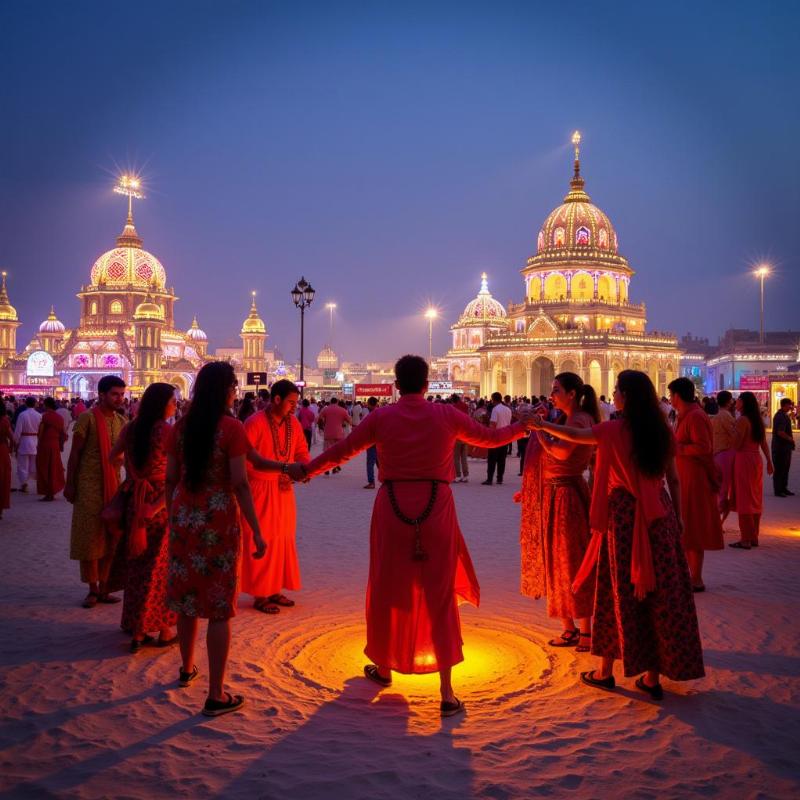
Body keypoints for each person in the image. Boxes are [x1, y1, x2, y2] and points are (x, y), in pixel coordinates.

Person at [292, 355, 530, 716]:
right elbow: (492, 438)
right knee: (439, 590)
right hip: (437, 507)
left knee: (389, 586)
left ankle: (385, 667)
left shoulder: (382, 417)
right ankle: (447, 693)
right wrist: (524, 427)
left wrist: (308, 469)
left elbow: (344, 449)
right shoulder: (445, 416)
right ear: (426, 382)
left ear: (397, 384)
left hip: (392, 507)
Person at [530, 370, 704, 700]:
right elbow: (675, 480)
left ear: (624, 396)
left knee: (614, 592)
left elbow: (573, 437)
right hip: (660, 514)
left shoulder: (612, 431)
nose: (613, 394)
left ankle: (605, 671)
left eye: (616, 390)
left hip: (623, 517)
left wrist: (541, 426)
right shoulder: (663, 432)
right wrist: (677, 518)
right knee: (660, 594)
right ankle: (653, 677)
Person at [166, 362, 266, 717]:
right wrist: (256, 528)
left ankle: (185, 669)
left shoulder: (179, 428)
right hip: (219, 518)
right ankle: (216, 693)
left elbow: (171, 478)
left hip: (184, 517)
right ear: (226, 390)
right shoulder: (231, 428)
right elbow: (240, 482)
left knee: (187, 599)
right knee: (218, 607)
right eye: (234, 387)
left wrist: (173, 515)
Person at [522, 373, 598, 651]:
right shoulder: (570, 419)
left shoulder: (578, 421)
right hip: (560, 492)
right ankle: (570, 628)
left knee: (571, 561)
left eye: (556, 390)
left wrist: (540, 430)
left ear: (572, 394)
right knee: (559, 561)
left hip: (567, 496)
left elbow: (563, 454)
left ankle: (585, 631)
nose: (551, 394)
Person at [109, 383, 179, 653]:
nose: (175, 404)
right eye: (173, 400)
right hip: (158, 503)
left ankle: (136, 628)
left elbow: (113, 456)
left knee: (136, 565)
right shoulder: (166, 431)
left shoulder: (130, 428)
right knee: (159, 568)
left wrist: (134, 475)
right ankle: (160, 628)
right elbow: (178, 473)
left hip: (133, 501)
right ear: (163, 404)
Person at [241, 379, 311, 615]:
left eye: (296, 402)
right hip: (260, 489)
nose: (294, 406)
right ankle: (261, 594)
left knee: (283, 538)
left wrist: (305, 468)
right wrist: (282, 469)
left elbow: (301, 451)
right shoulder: (255, 422)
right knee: (263, 539)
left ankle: (274, 588)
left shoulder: (293, 423)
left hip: (284, 490)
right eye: (291, 402)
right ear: (277, 399)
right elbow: (246, 461)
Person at [64, 376, 127, 608]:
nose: (119, 398)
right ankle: (92, 589)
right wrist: (70, 484)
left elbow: (124, 456)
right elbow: (75, 455)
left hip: (113, 485)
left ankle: (104, 586)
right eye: (114, 394)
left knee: (111, 536)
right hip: (89, 486)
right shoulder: (87, 419)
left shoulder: (121, 421)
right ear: (101, 395)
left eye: (121, 394)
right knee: (90, 537)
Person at [668, 377, 723, 591]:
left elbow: (703, 447)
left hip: (695, 478)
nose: (670, 399)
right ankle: (690, 576)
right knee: (686, 527)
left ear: (678, 396)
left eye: (671, 394)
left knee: (693, 528)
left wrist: (679, 449)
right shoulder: (685, 415)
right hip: (685, 476)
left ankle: (696, 578)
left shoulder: (696, 416)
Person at [729, 391, 774, 549]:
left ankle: (746, 538)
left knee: (744, 499)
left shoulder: (742, 420)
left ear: (744, 403)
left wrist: (732, 431)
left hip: (744, 460)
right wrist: (769, 461)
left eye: (739, 400)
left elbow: (736, 444)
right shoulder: (757, 420)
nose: (736, 402)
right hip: (756, 460)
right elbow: (763, 443)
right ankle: (754, 536)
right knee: (754, 498)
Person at [711, 390, 737, 524]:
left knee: (719, 488)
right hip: (726, 454)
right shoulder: (726, 416)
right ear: (728, 402)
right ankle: (717, 521)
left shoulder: (716, 417)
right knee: (724, 489)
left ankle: (717, 520)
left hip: (716, 454)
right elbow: (734, 436)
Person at [36, 397, 67, 501]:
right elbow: (63, 433)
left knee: (44, 467)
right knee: (54, 468)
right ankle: (52, 491)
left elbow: (41, 432)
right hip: (55, 445)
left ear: (46, 405)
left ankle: (48, 492)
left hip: (45, 444)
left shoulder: (45, 416)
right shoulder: (59, 418)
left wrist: (39, 443)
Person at [483, 392, 512, 485]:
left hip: (496, 436)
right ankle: (500, 478)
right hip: (506, 436)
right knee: (502, 459)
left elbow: (493, 424)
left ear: (493, 399)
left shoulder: (495, 409)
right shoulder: (508, 410)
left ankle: (489, 479)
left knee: (492, 459)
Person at [317, 397, 351, 475]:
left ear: (330, 402)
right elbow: (349, 421)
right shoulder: (343, 410)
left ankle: (326, 469)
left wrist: (322, 426)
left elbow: (319, 419)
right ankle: (336, 466)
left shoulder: (325, 409)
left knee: (327, 452)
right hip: (339, 433)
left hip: (328, 433)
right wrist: (343, 423)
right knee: (337, 451)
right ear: (337, 402)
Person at [14, 397, 41, 493]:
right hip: (35, 441)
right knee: (34, 464)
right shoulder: (39, 415)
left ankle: (24, 483)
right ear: (35, 404)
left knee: (22, 464)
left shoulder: (22, 415)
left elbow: (18, 431)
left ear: (26, 403)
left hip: (24, 441)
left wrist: (15, 442)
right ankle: (37, 481)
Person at [771, 398, 796, 497]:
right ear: (785, 405)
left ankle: (783, 488)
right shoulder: (781, 416)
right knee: (780, 469)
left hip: (784, 447)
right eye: (790, 405)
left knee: (785, 468)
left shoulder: (784, 415)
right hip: (780, 447)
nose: (791, 407)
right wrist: (790, 439)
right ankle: (778, 490)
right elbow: (780, 432)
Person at [364, 396, 380, 488]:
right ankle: (386, 480)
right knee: (380, 462)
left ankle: (371, 482)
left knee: (370, 463)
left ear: (369, 404)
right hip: (380, 442)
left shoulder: (369, 415)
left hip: (371, 442)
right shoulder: (382, 413)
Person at [0, 405, 12, 519]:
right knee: (3, 479)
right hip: (2, 450)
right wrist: (13, 448)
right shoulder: (4, 421)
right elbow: (11, 436)